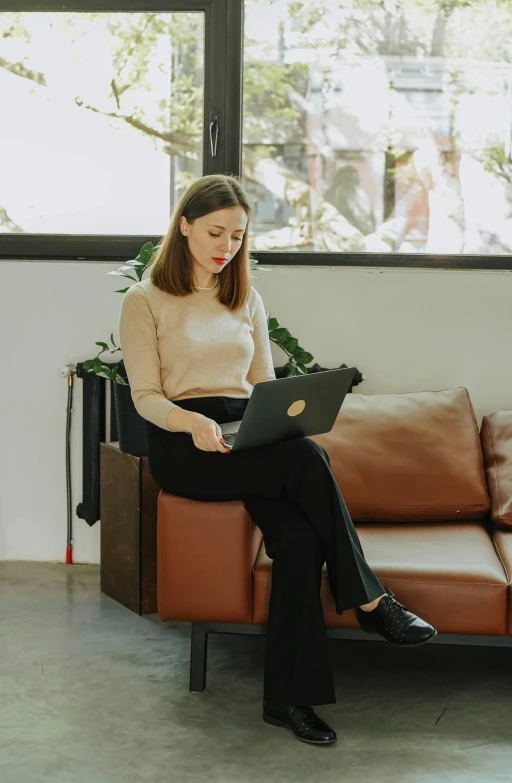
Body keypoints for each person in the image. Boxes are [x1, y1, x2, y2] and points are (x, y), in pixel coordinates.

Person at [118, 174, 437, 747]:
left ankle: (288, 700)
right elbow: (146, 397)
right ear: (184, 224)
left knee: (299, 541)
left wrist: (274, 420)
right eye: (216, 232)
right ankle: (369, 599)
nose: (226, 246)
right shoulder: (144, 300)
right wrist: (193, 423)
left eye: (238, 237)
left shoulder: (245, 296)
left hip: (246, 434)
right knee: (308, 459)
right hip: (185, 444)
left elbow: (262, 382)